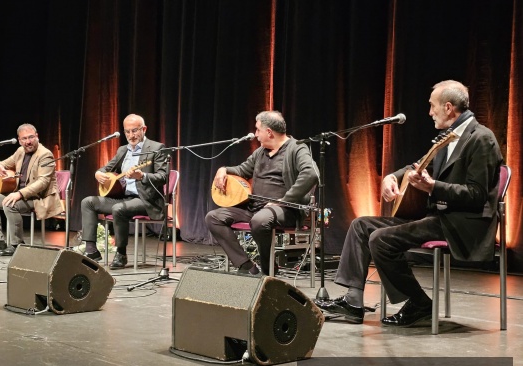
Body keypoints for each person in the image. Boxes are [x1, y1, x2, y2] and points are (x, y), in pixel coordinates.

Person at [316, 80, 503, 326]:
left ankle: (419, 303)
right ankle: (353, 301)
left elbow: (477, 195)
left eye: (432, 106)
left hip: (462, 224)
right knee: (362, 225)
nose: (429, 112)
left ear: (448, 107)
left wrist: (433, 187)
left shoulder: (481, 139)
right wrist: (392, 176)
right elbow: (417, 165)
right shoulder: (448, 138)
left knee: (380, 239)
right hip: (438, 217)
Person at [205, 110, 319, 276]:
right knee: (213, 217)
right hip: (254, 208)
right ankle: (246, 266)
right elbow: (242, 170)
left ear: (269, 132)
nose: (256, 134)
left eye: (258, 130)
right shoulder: (260, 152)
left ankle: (268, 267)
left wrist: (284, 200)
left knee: (260, 220)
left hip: (285, 209)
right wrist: (223, 169)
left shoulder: (296, 148)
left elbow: (311, 174)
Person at [80, 114, 167, 269]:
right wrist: (98, 173)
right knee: (88, 202)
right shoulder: (123, 150)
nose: (131, 135)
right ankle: (91, 250)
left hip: (145, 200)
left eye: (134, 131)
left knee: (118, 209)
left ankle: (121, 254)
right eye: (127, 132)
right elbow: (105, 169)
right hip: (122, 198)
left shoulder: (156, 148)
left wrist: (142, 176)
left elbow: (163, 176)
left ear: (144, 129)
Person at [0, 123, 63, 256]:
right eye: (24, 139)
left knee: (10, 204)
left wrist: (19, 194)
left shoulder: (45, 155)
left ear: (37, 137)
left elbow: (43, 182)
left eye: (31, 137)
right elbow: (4, 163)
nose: (28, 142)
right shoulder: (20, 151)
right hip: (20, 195)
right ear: (19, 140)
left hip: (39, 198)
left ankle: (16, 243)